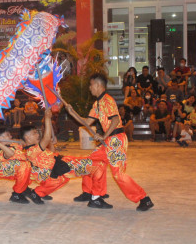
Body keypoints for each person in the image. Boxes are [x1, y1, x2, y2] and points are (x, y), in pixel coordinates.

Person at [64, 73, 153, 211]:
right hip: (110, 140)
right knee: (91, 162)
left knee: (118, 174)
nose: (89, 88)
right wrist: (72, 112)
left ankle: (144, 199)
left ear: (98, 85)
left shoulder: (107, 100)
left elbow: (116, 121)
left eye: (91, 85)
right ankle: (92, 194)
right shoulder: (97, 103)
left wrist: (104, 136)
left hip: (116, 140)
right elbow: (86, 122)